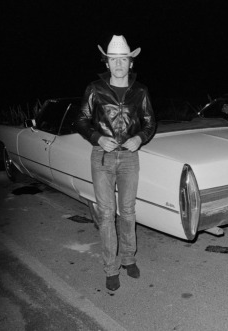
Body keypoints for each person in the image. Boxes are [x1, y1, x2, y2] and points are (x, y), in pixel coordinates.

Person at [75, 35, 156, 291]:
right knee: (107, 214)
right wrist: (97, 138)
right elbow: (81, 120)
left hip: (130, 158)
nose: (119, 64)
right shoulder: (94, 89)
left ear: (130, 63)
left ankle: (129, 258)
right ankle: (111, 269)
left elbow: (150, 122)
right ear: (107, 63)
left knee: (128, 212)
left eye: (123, 59)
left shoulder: (140, 90)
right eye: (114, 60)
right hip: (103, 157)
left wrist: (140, 138)